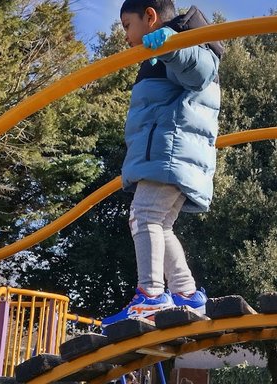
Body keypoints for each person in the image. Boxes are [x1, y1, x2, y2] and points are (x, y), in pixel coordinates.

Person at [102, 0, 223, 327]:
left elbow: (198, 71)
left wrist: (171, 44)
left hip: (169, 150)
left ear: (150, 17)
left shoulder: (189, 39)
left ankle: (152, 295)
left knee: (143, 218)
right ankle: (186, 294)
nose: (126, 37)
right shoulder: (161, 50)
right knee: (157, 223)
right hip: (165, 152)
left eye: (128, 26)